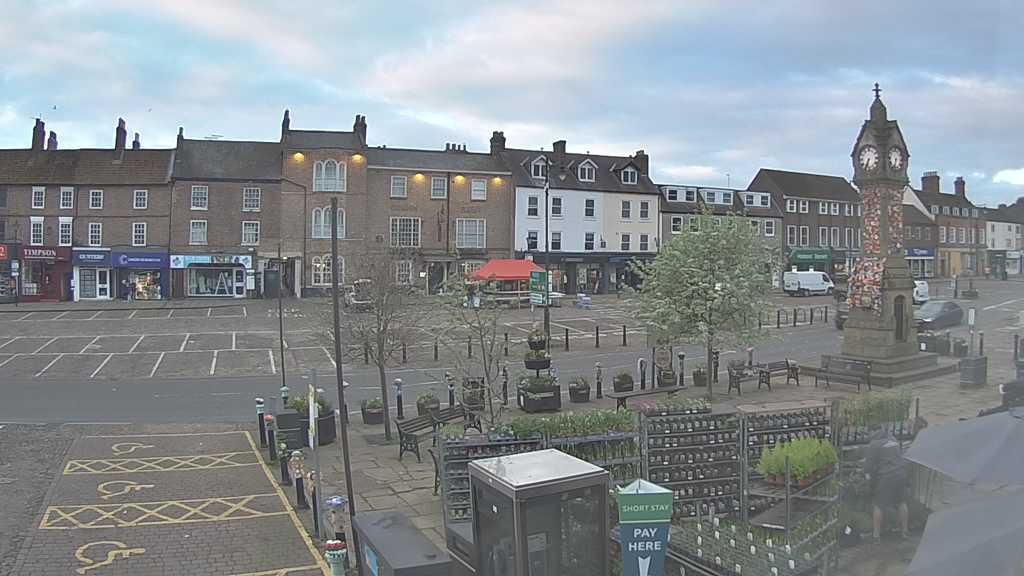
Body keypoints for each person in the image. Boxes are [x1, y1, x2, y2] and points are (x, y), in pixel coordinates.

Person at [865, 428, 909, 542]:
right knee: (901, 502)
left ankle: (876, 536)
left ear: (872, 432)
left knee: (878, 505)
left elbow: (868, 466)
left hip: (887, 477)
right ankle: (904, 532)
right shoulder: (893, 439)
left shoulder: (874, 444)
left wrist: (867, 475)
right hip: (901, 474)